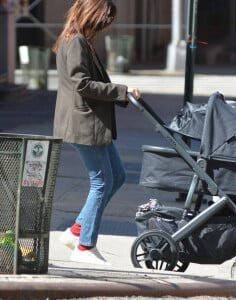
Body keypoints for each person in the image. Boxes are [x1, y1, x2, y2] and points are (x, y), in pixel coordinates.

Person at [52, 0, 141, 266]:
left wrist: (121, 95)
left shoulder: (80, 40)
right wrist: (122, 91)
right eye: (103, 22)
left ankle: (76, 231)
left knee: (118, 176)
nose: (104, 28)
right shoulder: (76, 41)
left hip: (90, 124)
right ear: (92, 16)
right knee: (101, 182)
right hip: (83, 124)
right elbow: (82, 84)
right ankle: (85, 246)